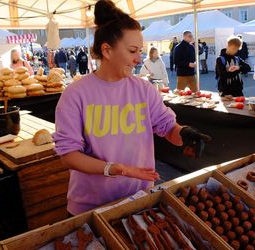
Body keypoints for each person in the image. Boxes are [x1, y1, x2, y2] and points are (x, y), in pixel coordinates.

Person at [53, 0, 210, 216]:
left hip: (139, 199)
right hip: (91, 206)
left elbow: (167, 127)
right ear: (107, 50)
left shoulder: (143, 89)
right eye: (133, 51)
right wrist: (114, 168)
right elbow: (68, 155)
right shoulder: (76, 94)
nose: (139, 59)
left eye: (141, 51)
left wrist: (183, 133)